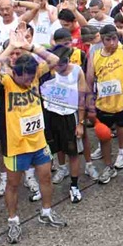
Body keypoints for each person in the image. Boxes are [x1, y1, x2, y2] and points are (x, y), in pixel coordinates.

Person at [0, 30, 67, 244]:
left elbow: (54, 59)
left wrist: (30, 46)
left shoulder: (34, 76)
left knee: (45, 176)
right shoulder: (6, 81)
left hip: (38, 141)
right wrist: (10, 47)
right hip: (16, 146)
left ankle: (46, 212)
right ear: (14, 73)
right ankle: (13, 221)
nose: (27, 83)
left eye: (30, 79)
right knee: (13, 184)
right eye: (23, 79)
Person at [86, 22, 123, 186]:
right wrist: (89, 106)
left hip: (122, 105)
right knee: (104, 139)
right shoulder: (94, 55)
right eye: (107, 39)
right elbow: (89, 82)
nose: (111, 43)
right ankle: (108, 167)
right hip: (103, 107)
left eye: (114, 38)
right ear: (102, 41)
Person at [41, 45, 88, 203]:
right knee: (55, 150)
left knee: (73, 153)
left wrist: (80, 123)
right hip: (50, 115)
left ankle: (74, 186)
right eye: (59, 63)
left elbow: (82, 98)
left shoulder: (77, 71)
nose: (62, 66)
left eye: (65, 62)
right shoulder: (47, 70)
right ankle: (61, 169)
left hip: (69, 116)